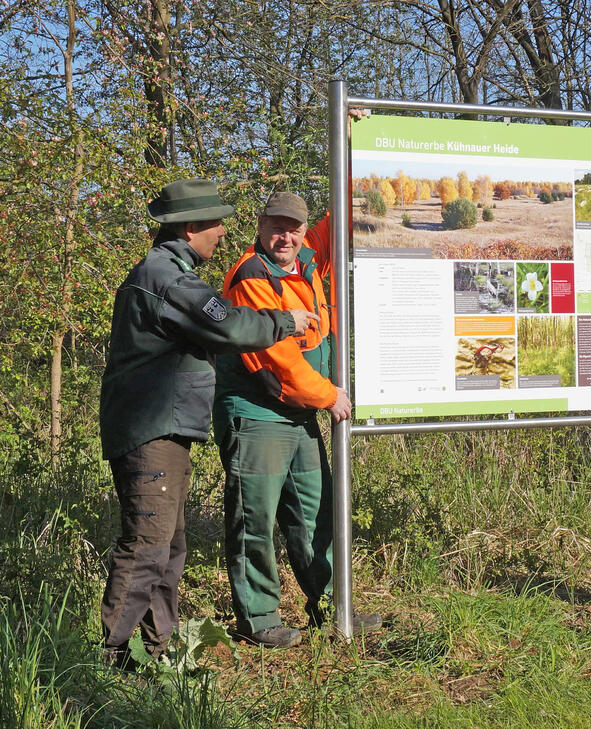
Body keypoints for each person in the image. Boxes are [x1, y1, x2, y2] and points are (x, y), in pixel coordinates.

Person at [99, 178, 317, 667]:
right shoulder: (169, 279)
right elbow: (229, 324)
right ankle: (113, 663)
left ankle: (151, 653)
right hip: (151, 430)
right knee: (148, 546)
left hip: (160, 428)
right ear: (192, 227)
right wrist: (287, 321)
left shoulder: (163, 272)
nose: (222, 232)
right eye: (216, 223)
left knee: (169, 546)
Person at [214, 191, 381, 649]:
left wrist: (352, 133)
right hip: (257, 411)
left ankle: (328, 606)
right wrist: (329, 396)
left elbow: (342, 215)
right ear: (260, 224)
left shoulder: (309, 257)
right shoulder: (251, 275)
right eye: (276, 226)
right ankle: (259, 618)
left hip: (300, 413)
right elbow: (280, 361)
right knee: (255, 517)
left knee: (315, 510)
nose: (285, 236)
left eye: (295, 228)